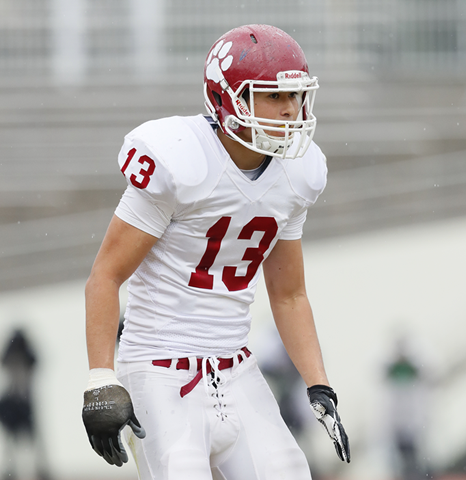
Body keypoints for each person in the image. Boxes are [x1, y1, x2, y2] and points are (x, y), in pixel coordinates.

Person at [82, 24, 350, 480]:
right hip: (159, 368)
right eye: (273, 97)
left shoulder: (298, 173)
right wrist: (100, 379)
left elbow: (288, 294)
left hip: (237, 366)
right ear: (229, 99)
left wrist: (319, 383)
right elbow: (105, 276)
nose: (290, 111)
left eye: (296, 96)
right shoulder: (179, 159)